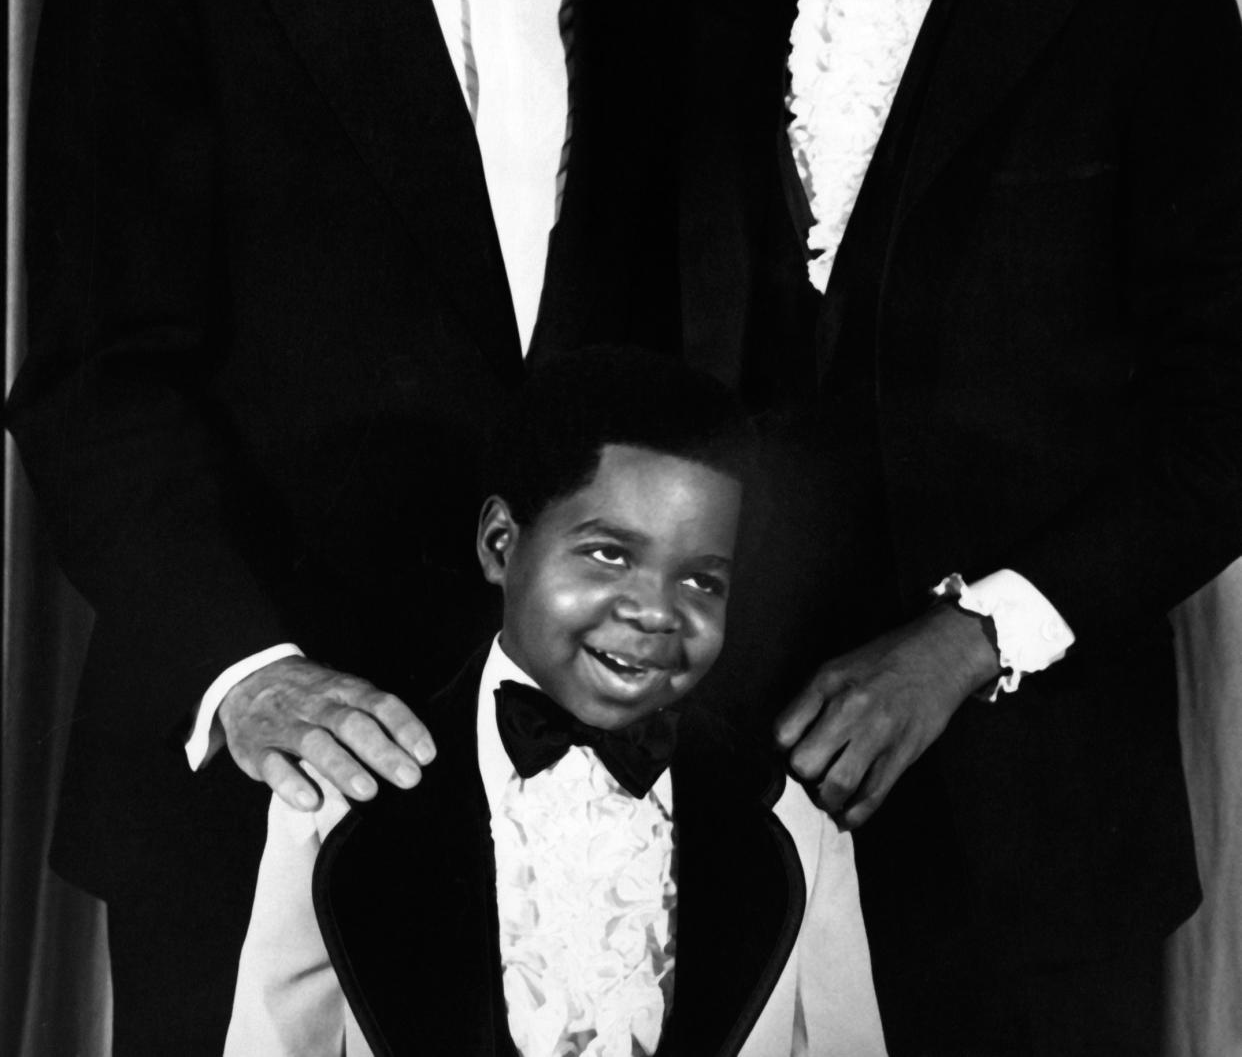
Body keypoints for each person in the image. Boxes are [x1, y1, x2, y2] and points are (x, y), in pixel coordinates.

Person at [5, 0, 727, 1055]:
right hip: (259, 752)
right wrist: (245, 668)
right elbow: (95, 371)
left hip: (583, 770)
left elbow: (680, 361)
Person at [683, 0, 1242, 1056]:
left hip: (1039, 848)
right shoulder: (699, 32)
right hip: (730, 817)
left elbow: (1224, 424)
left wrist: (971, 632)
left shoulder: (1150, 27)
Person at [222, 347, 887, 1057]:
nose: (656, 613)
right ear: (501, 544)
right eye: (610, 555)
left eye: (701, 581)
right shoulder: (337, 798)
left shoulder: (792, 819)